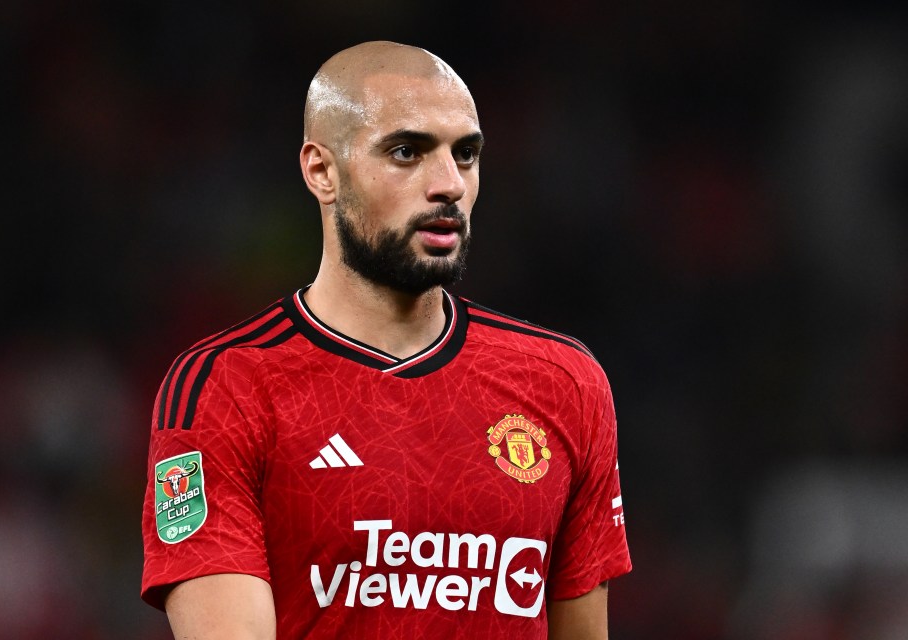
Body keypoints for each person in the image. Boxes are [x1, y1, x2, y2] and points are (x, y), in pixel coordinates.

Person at [141, 41, 631, 639]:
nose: (449, 184)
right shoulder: (228, 388)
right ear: (322, 170)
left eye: (466, 154)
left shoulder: (564, 383)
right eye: (407, 152)